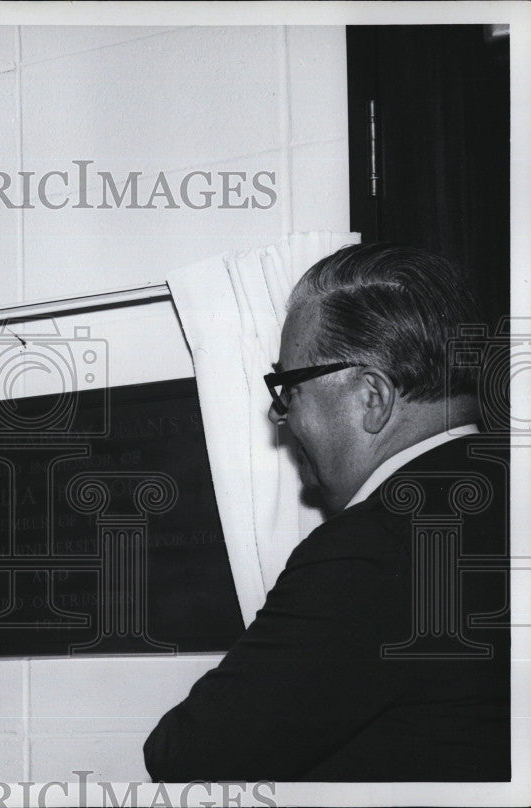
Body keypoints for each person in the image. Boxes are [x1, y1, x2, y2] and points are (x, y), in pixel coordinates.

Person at [144, 243, 509, 781]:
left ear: (372, 397)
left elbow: (186, 756)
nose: (280, 413)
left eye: (289, 388)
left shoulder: (371, 551)